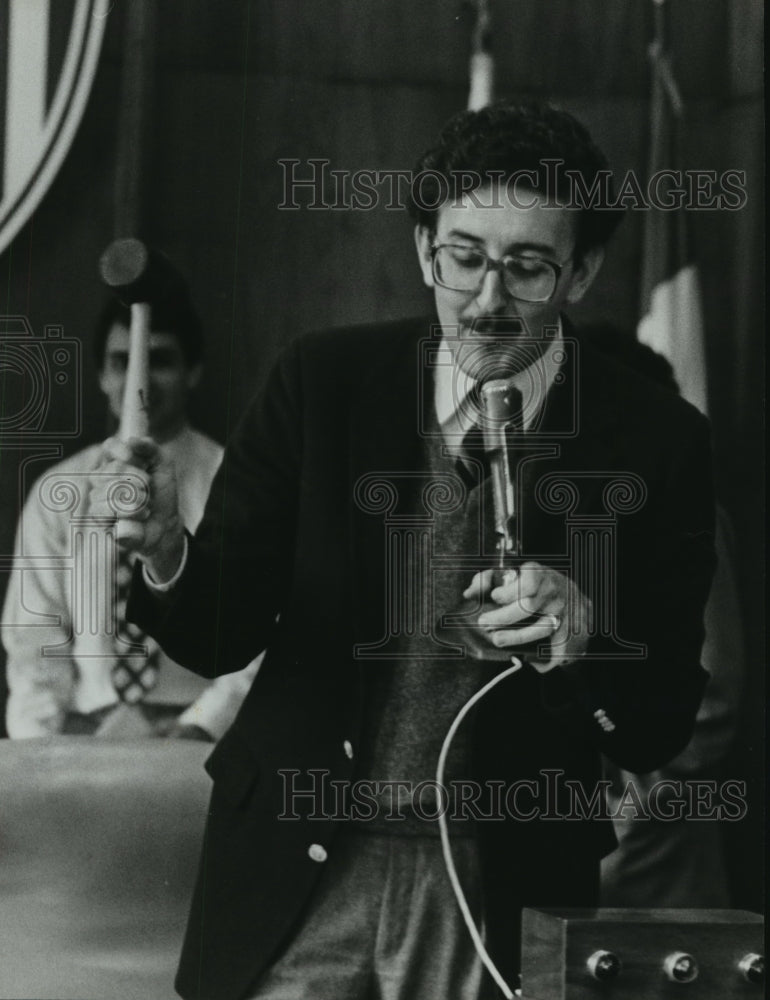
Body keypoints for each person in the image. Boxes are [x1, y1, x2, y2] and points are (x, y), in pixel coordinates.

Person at [92, 102, 716, 1000]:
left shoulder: (657, 439)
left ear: (583, 271)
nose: (489, 299)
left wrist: (587, 639)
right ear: (426, 249)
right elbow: (220, 632)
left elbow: (660, 722)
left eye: (528, 266)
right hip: (296, 865)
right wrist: (164, 553)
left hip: (504, 878)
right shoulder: (321, 381)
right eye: (464, 258)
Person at [2, 268, 258, 741]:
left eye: (159, 360)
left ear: (193, 371)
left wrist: (201, 726)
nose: (139, 380)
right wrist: (45, 746)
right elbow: (33, 638)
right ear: (102, 375)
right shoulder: (59, 492)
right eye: (122, 362)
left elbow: (261, 635)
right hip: (82, 738)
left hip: (200, 739)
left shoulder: (233, 481)